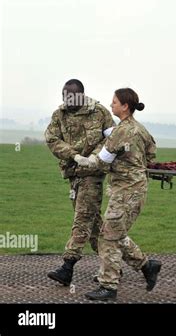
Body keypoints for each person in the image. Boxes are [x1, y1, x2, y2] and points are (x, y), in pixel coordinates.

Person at [75, 88, 161, 301]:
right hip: (135, 189)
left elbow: (103, 160)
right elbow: (152, 153)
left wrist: (84, 160)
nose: (110, 104)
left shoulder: (121, 131)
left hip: (126, 191)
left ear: (125, 106)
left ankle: (109, 286)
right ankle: (146, 265)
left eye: (114, 102)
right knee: (115, 233)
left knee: (107, 237)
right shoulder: (139, 129)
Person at [45, 79, 114, 286]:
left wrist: (94, 157)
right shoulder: (59, 115)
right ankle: (134, 265)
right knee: (95, 226)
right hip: (73, 173)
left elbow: (112, 138)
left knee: (82, 219)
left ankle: (67, 267)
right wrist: (74, 155)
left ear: (82, 95)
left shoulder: (99, 112)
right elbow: (51, 139)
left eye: (71, 96)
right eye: (64, 96)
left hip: (93, 174)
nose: (67, 100)